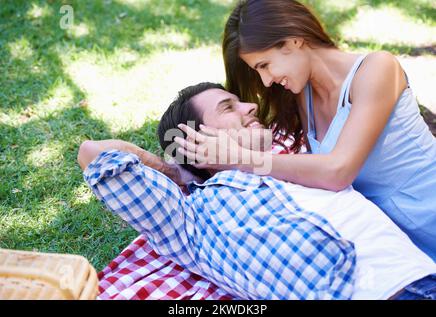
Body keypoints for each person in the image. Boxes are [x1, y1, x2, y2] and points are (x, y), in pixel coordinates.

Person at [78, 82, 436, 300]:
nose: (250, 107)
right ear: (196, 139)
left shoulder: (303, 160)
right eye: (228, 107)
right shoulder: (191, 218)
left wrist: (243, 157)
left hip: (424, 278)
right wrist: (179, 171)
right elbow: (93, 153)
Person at [176, 0, 436, 262]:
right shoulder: (303, 95)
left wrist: (240, 159)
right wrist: (186, 163)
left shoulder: (377, 69)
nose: (266, 80)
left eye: (264, 65)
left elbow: (338, 171)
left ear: (293, 41)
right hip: (398, 241)